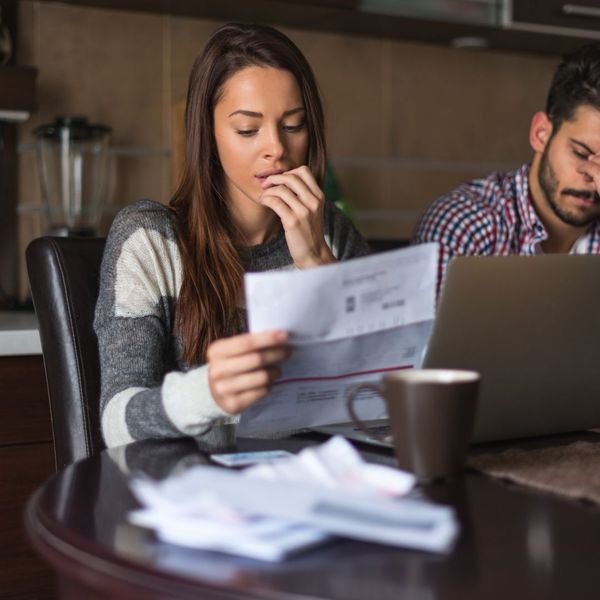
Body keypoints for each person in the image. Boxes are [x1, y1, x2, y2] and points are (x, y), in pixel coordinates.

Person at [94, 23, 369, 448]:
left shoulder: (331, 232)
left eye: (293, 125)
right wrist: (208, 393)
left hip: (313, 483)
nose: (275, 148)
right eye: (247, 129)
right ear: (209, 133)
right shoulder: (150, 239)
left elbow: (377, 396)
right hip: (196, 493)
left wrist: (317, 261)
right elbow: (116, 423)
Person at [413, 42, 600, 291]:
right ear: (541, 133)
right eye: (581, 153)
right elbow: (430, 331)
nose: (594, 175)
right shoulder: (464, 225)